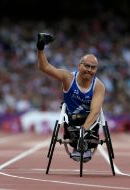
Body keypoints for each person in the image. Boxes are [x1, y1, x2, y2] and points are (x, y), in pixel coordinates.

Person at [36, 33, 105, 162]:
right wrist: (40, 48)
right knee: (72, 120)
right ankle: (78, 146)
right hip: (71, 124)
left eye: (93, 67)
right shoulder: (68, 78)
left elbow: (95, 111)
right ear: (79, 66)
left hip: (90, 125)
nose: (89, 70)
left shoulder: (99, 86)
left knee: (93, 116)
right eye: (86, 66)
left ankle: (84, 146)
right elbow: (44, 67)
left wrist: (83, 131)